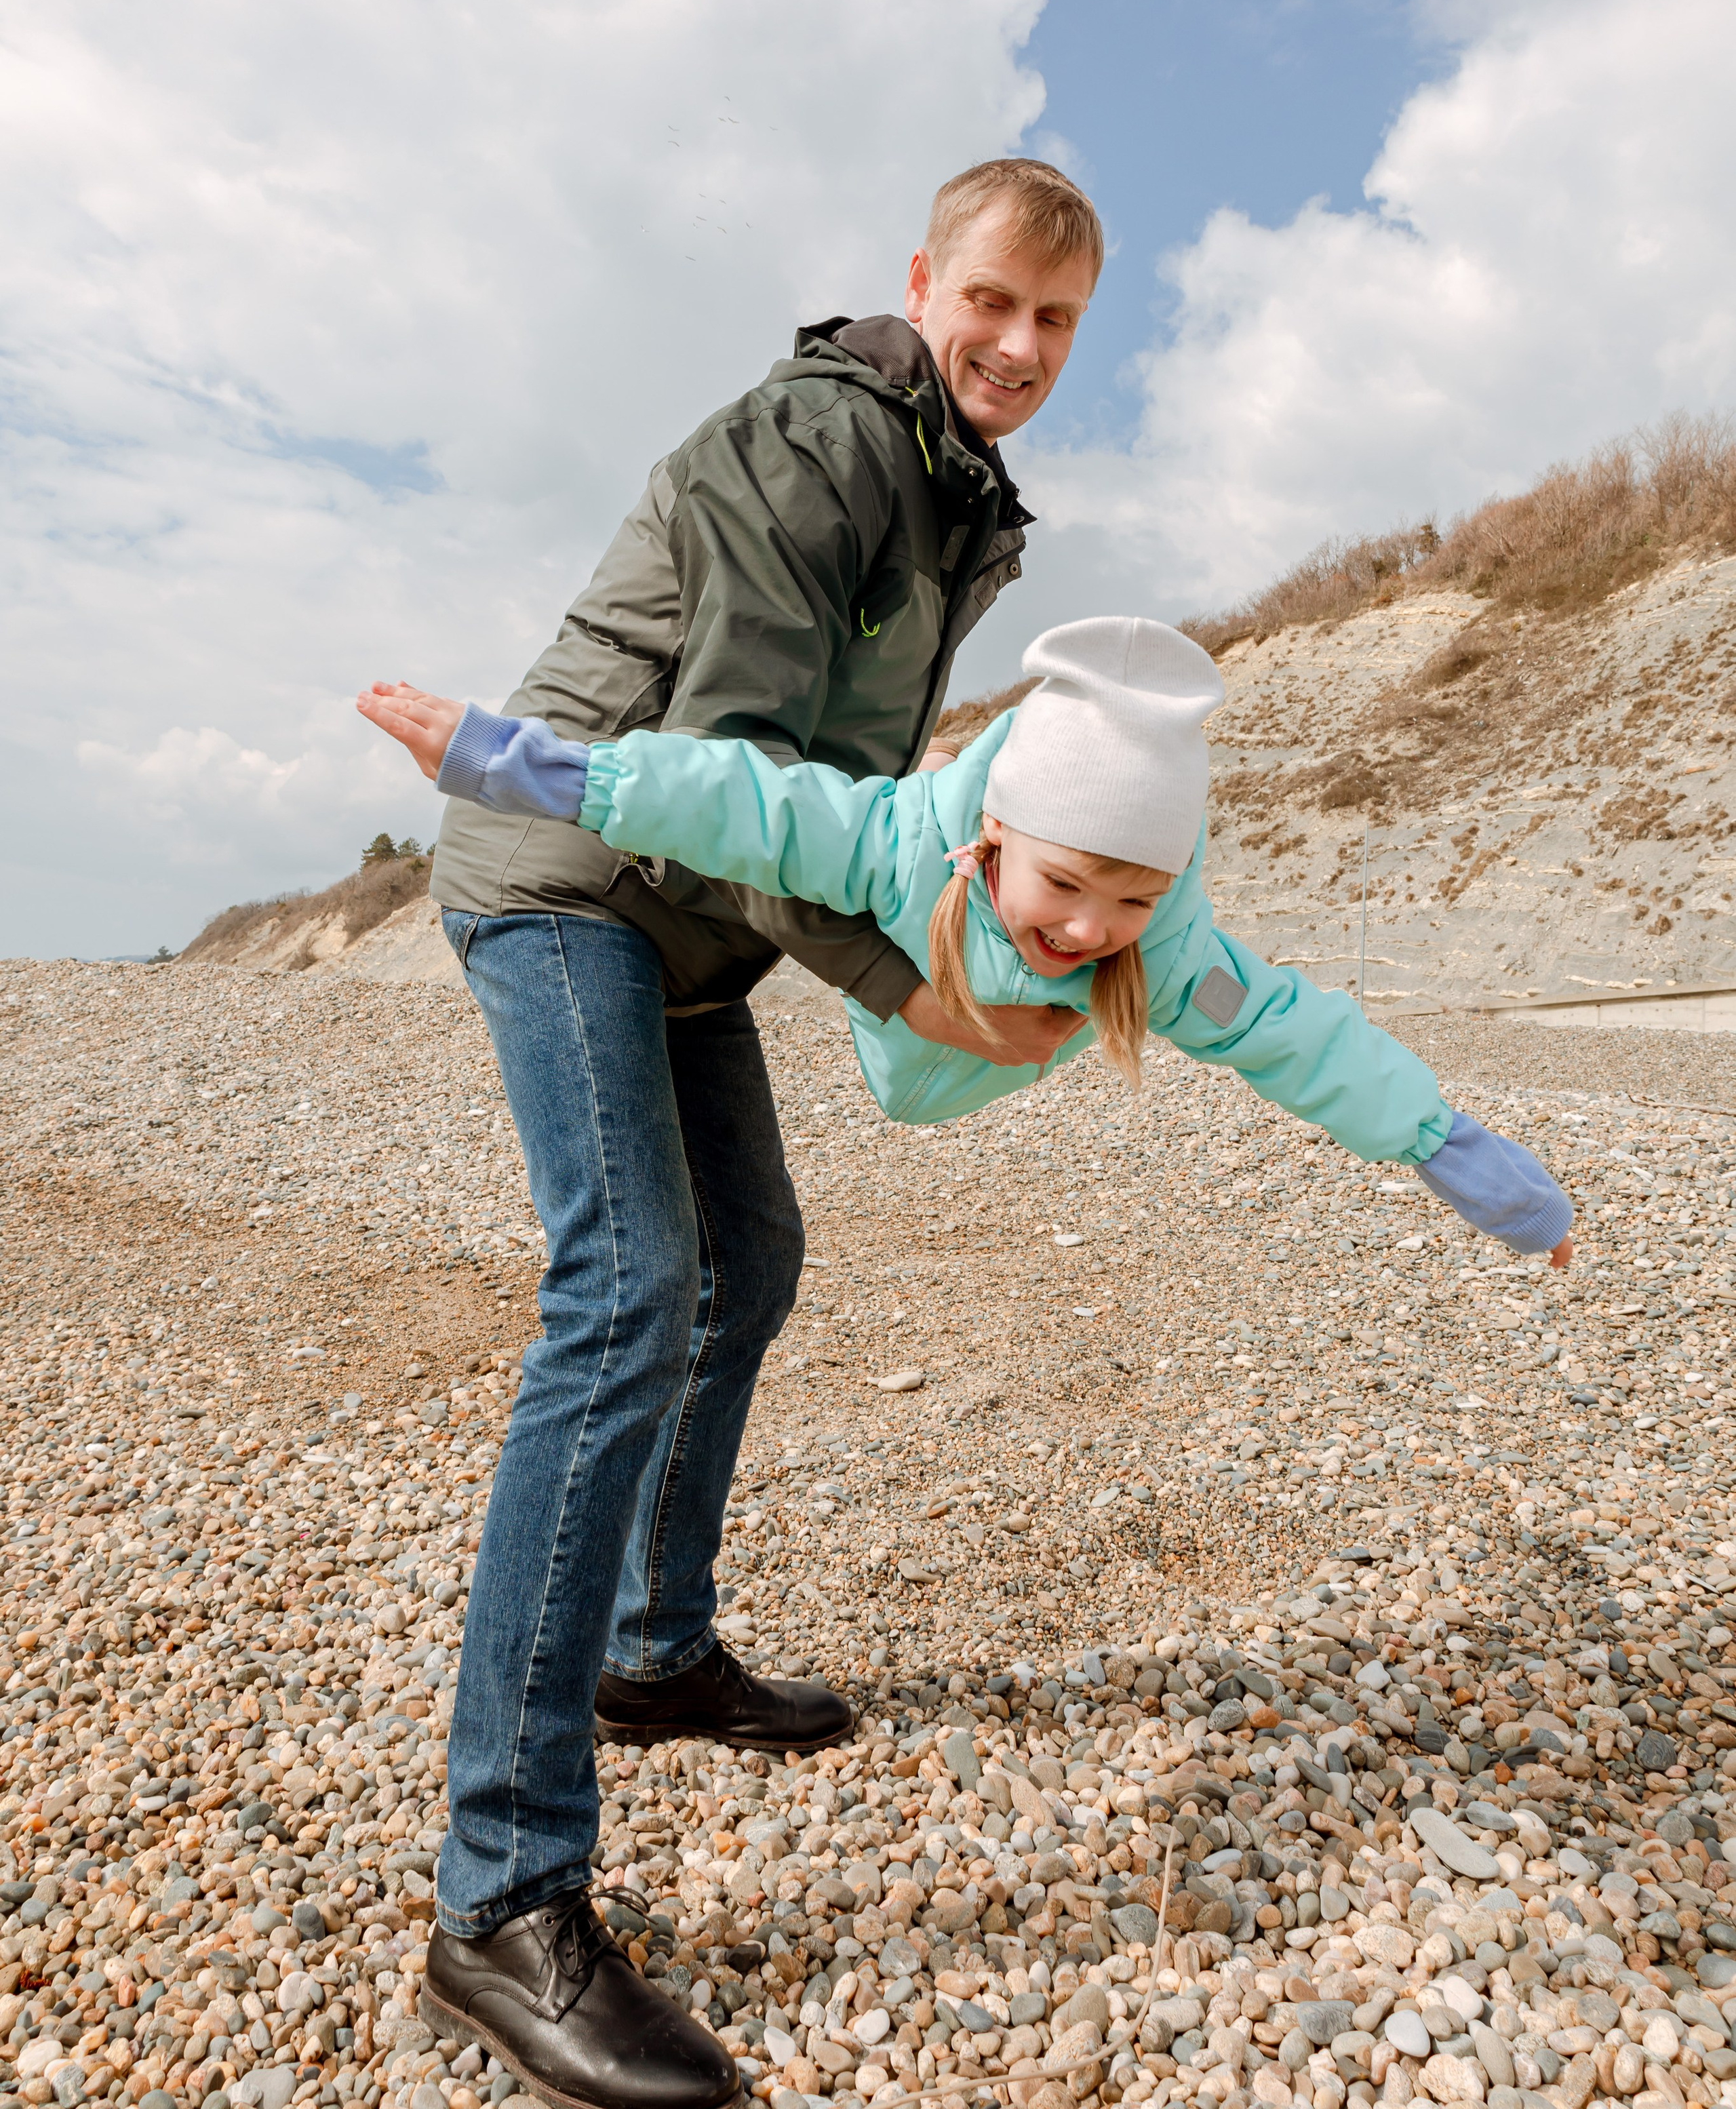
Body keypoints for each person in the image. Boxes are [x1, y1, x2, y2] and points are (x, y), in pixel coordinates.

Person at [369, 160, 1103, 2109]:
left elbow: (851, 796)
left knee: (750, 1259)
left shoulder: (959, 503)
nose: (1020, 349)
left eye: (1059, 325)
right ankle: (498, 1898)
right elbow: (742, 776)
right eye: (996, 304)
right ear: (923, 283)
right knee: (623, 1293)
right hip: (568, 878)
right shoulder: (825, 443)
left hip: (682, 916)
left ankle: (650, 1650)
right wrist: (912, 990)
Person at [366, 615, 1575, 1265]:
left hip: (977, 1055)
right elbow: (736, 802)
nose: (1093, 929)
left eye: (1137, 897)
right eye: (1068, 881)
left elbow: (1295, 1036)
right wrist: (512, 760)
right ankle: (951, 780)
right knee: (804, 828)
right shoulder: (890, 844)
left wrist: (1463, 1161)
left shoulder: (1156, 956)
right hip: (904, 991)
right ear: (997, 833)